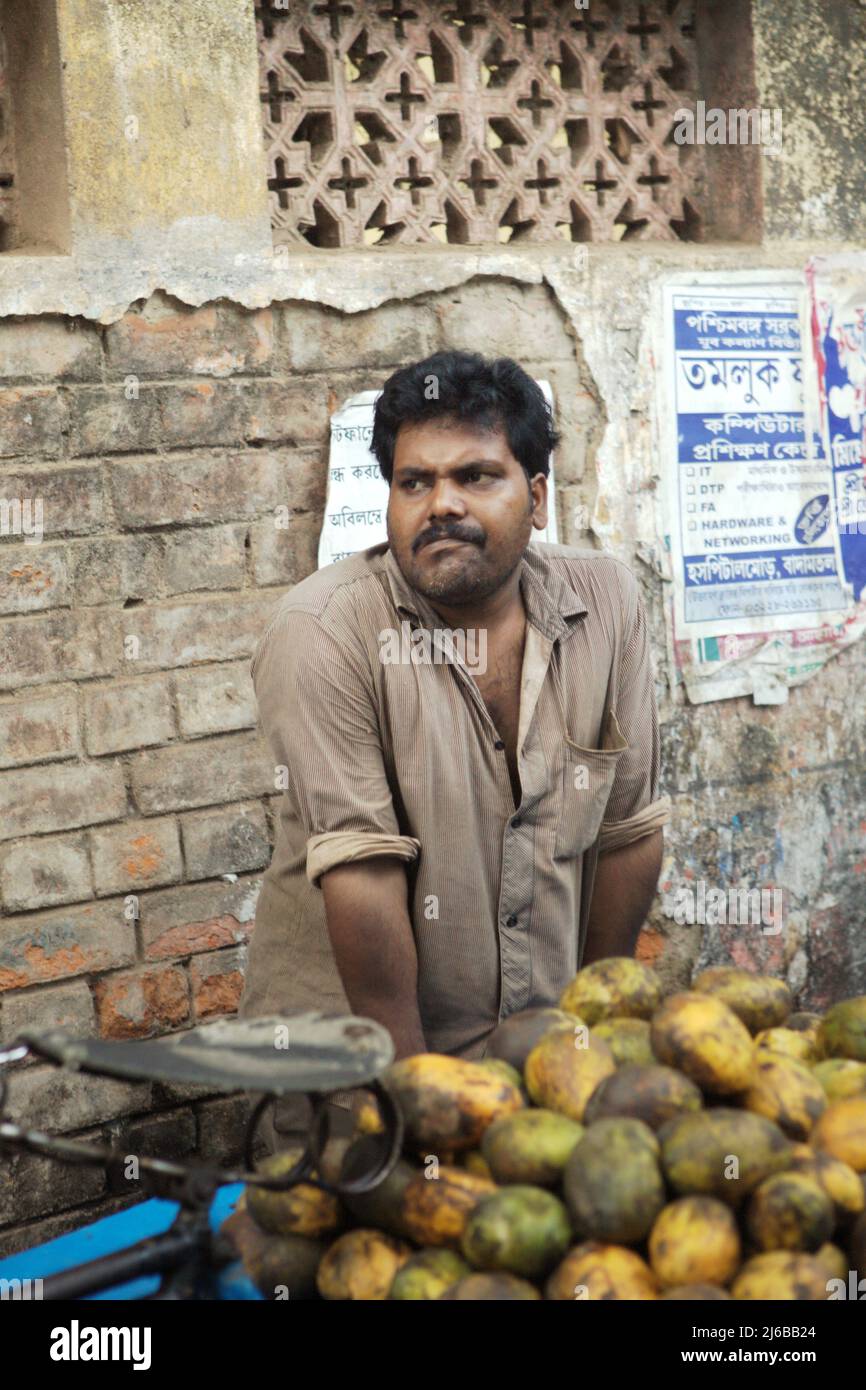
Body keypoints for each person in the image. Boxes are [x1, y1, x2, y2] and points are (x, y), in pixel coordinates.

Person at [238, 349, 670, 1152]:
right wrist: (421, 1118)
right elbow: (363, 877)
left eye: (476, 477)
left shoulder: (606, 602)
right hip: (360, 1085)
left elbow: (630, 832)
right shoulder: (326, 634)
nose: (441, 505)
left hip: (535, 1067)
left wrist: (587, 1031)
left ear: (537, 497)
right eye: (414, 483)